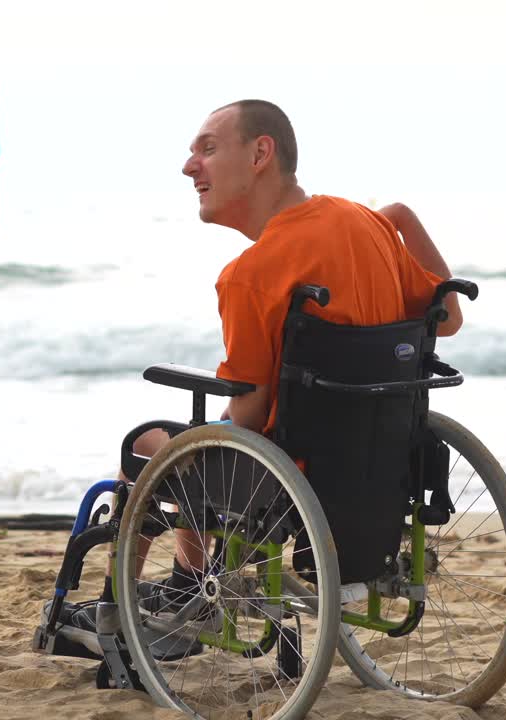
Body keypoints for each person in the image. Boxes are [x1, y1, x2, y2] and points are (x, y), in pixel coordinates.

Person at [124, 99, 463, 610]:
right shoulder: (368, 228)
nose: (189, 166)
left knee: (147, 444)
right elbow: (449, 318)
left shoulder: (251, 274)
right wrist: (401, 220)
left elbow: (249, 415)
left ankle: (154, 598)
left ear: (261, 153)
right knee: (215, 430)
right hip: (381, 464)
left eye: (208, 149)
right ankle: (185, 583)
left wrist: (229, 415)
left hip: (290, 479)